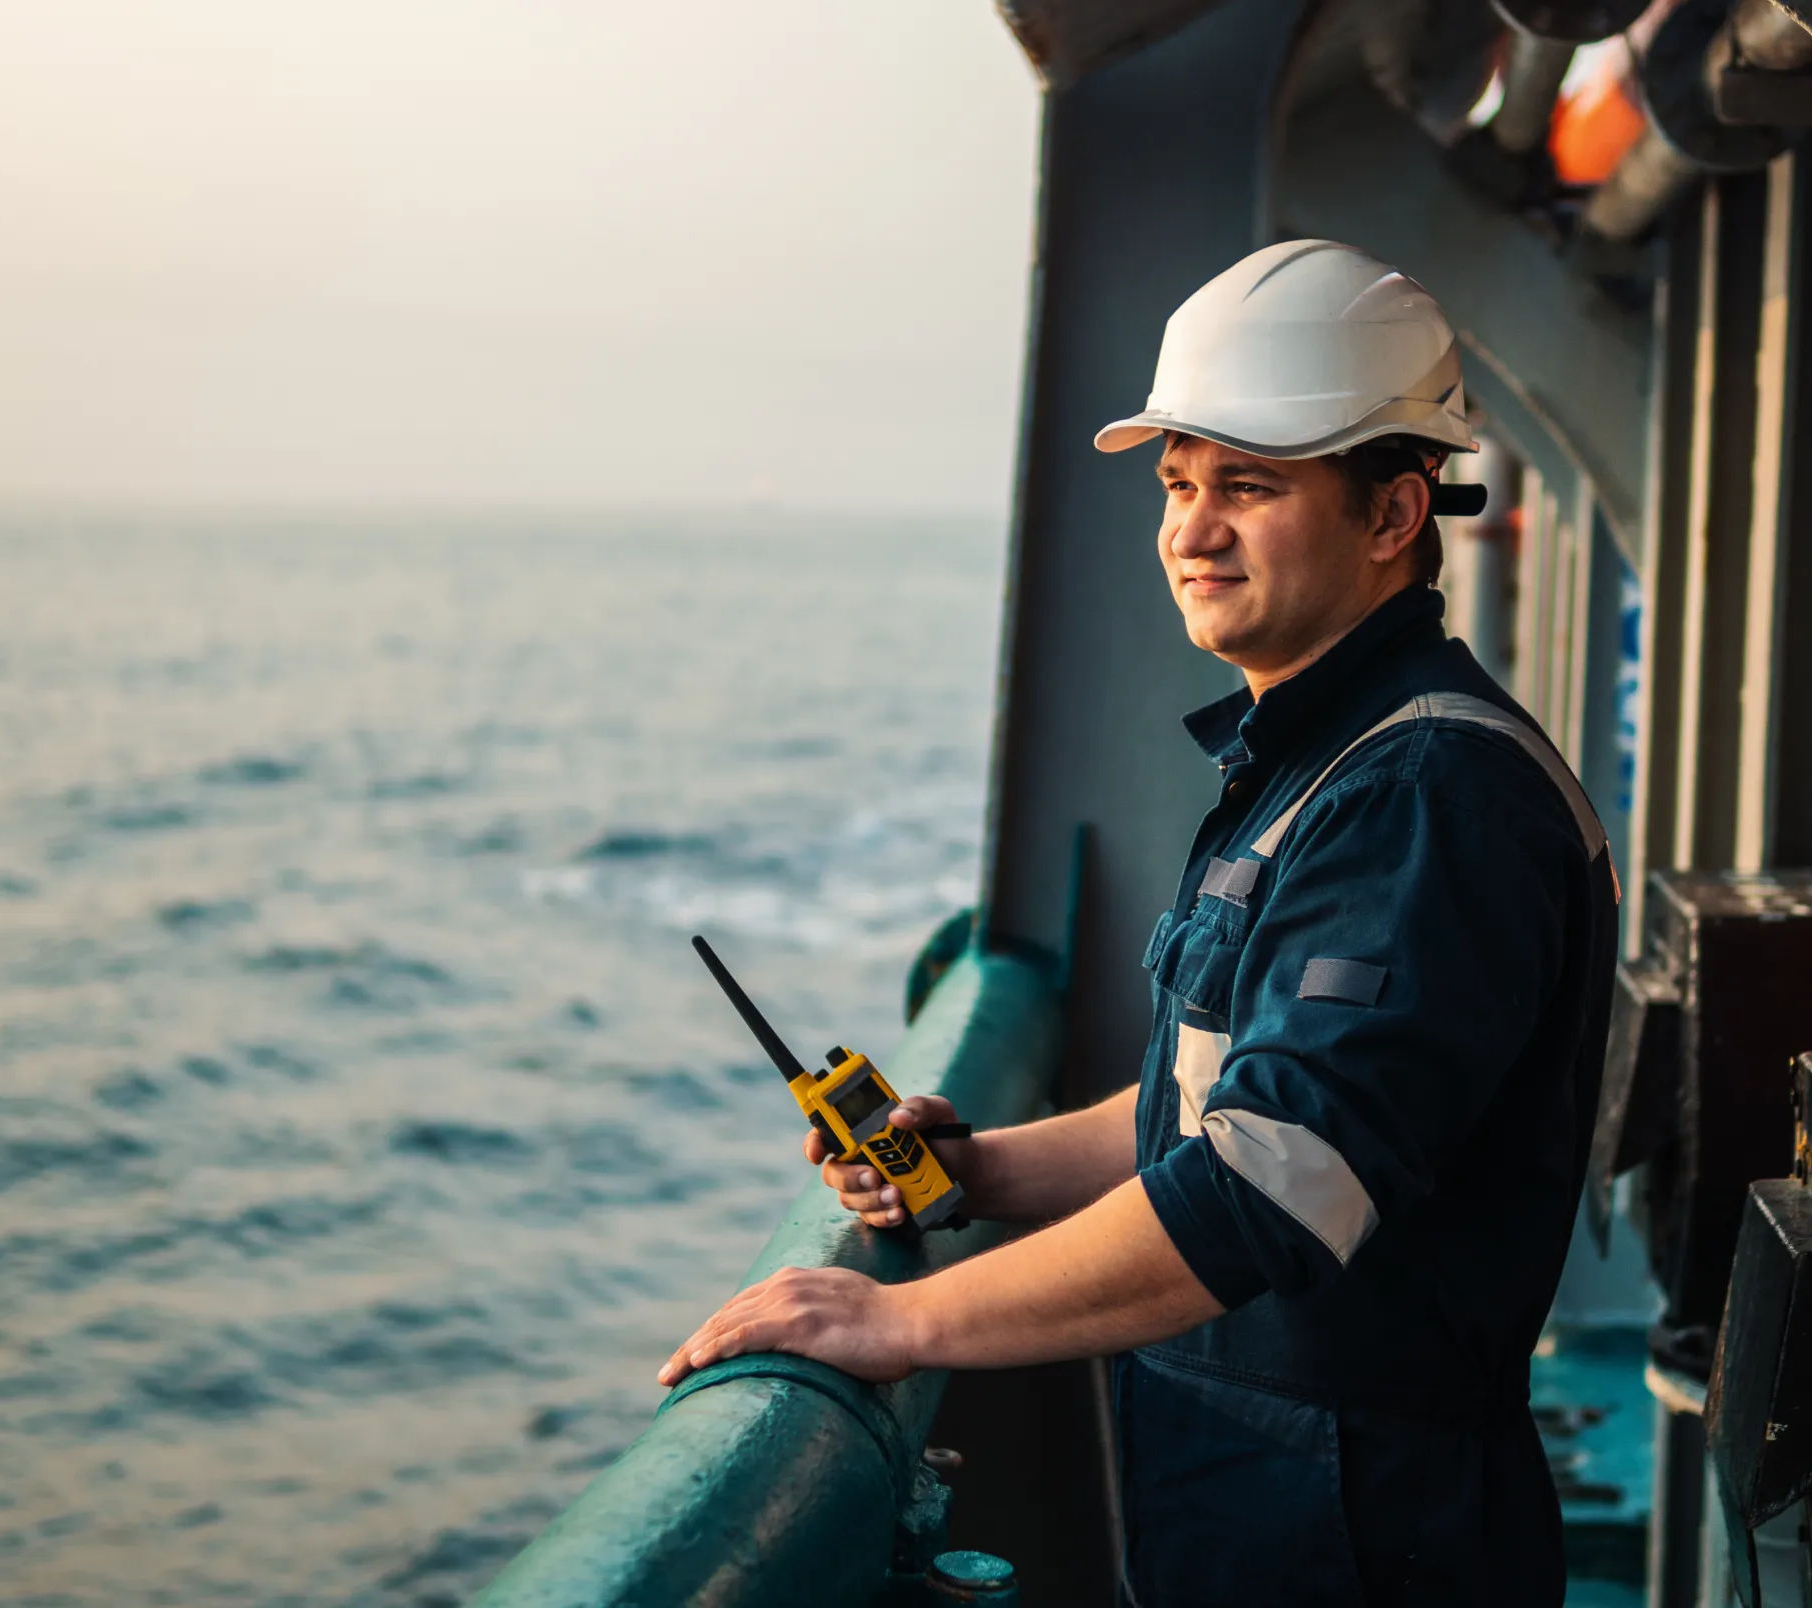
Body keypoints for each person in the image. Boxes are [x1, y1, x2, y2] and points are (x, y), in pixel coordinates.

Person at [660, 239, 1619, 1606]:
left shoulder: (1430, 796)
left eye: (1250, 484)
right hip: (1269, 1512)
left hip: (1363, 1543)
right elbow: (1223, 1112)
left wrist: (896, 1319)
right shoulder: (1317, 766)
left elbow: (1269, 1190)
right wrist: (980, 1173)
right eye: (1178, 485)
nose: (1190, 528)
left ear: (1396, 513)